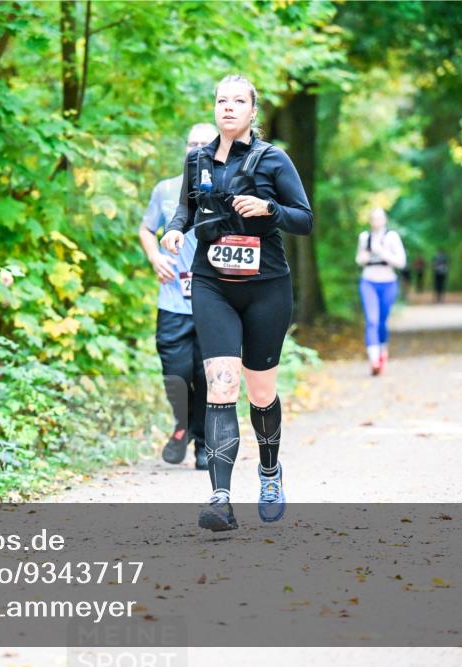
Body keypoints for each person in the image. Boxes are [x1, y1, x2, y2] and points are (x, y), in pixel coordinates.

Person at [161, 75, 313, 530]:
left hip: (266, 286)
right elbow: (185, 210)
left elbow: (304, 219)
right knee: (221, 385)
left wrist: (269, 210)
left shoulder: (274, 160)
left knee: (260, 391)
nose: (228, 108)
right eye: (221, 100)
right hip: (213, 286)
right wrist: (174, 229)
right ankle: (221, 498)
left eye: (238, 101)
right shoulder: (198, 160)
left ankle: (269, 471)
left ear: (253, 111)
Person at [139, 124, 217, 471]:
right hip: (172, 299)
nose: (197, 148)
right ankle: (182, 423)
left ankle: (202, 443)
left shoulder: (226, 189)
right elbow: (146, 228)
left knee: (206, 376)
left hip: (214, 301)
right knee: (176, 373)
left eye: (205, 143)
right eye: (192, 143)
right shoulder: (166, 189)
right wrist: (155, 256)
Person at [355, 208, 407, 376]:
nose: (376, 221)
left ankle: (383, 348)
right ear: (370, 221)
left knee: (382, 322)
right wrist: (363, 258)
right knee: (372, 320)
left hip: (388, 282)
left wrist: (382, 252)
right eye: (373, 218)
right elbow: (360, 259)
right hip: (368, 282)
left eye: (379, 218)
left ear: (384, 220)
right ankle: (374, 360)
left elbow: (401, 262)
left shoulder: (392, 237)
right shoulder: (364, 237)